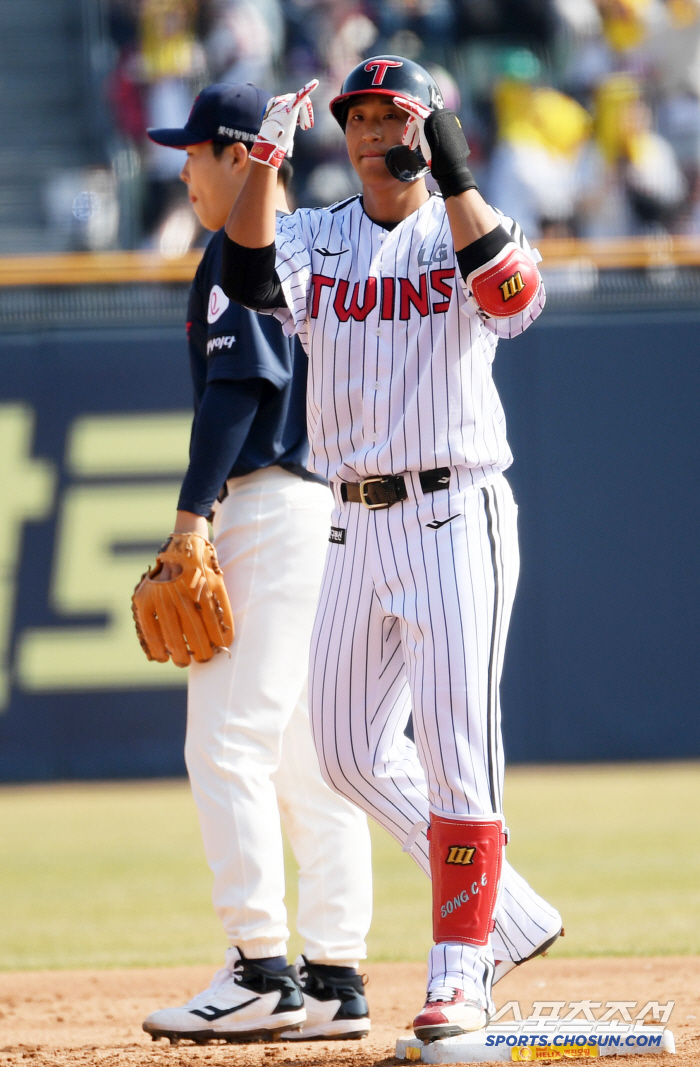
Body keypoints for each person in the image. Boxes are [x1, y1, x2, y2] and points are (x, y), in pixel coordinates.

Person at [222, 57, 563, 1042]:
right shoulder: (321, 234)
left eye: (389, 114)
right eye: (357, 116)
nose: (371, 131)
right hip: (351, 517)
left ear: (427, 125)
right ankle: (508, 906)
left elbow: (508, 300)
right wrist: (260, 167)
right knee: (345, 747)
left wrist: (457, 179)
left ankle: (462, 973)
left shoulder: (467, 221)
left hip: (453, 511)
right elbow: (248, 277)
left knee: (458, 757)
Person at [140, 82, 373, 1045]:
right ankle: (334, 977)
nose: (183, 168)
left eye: (195, 151)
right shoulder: (298, 245)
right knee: (304, 755)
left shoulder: (244, 247)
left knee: (226, 745)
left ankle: (259, 968)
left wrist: (192, 517)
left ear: (239, 154)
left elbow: (238, 385)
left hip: (269, 503)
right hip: (317, 507)